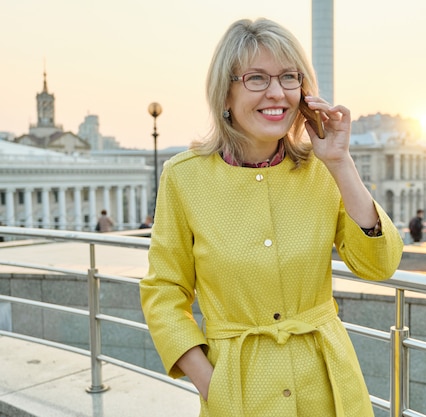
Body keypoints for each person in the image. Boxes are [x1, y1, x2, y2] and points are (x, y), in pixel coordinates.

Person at [139, 18, 404, 417]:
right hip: (241, 389)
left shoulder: (323, 171)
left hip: (330, 386)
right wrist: (213, 384)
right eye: (257, 79)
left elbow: (379, 264)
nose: (277, 92)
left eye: (289, 77)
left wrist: (341, 163)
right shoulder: (184, 176)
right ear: (224, 93)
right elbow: (164, 293)